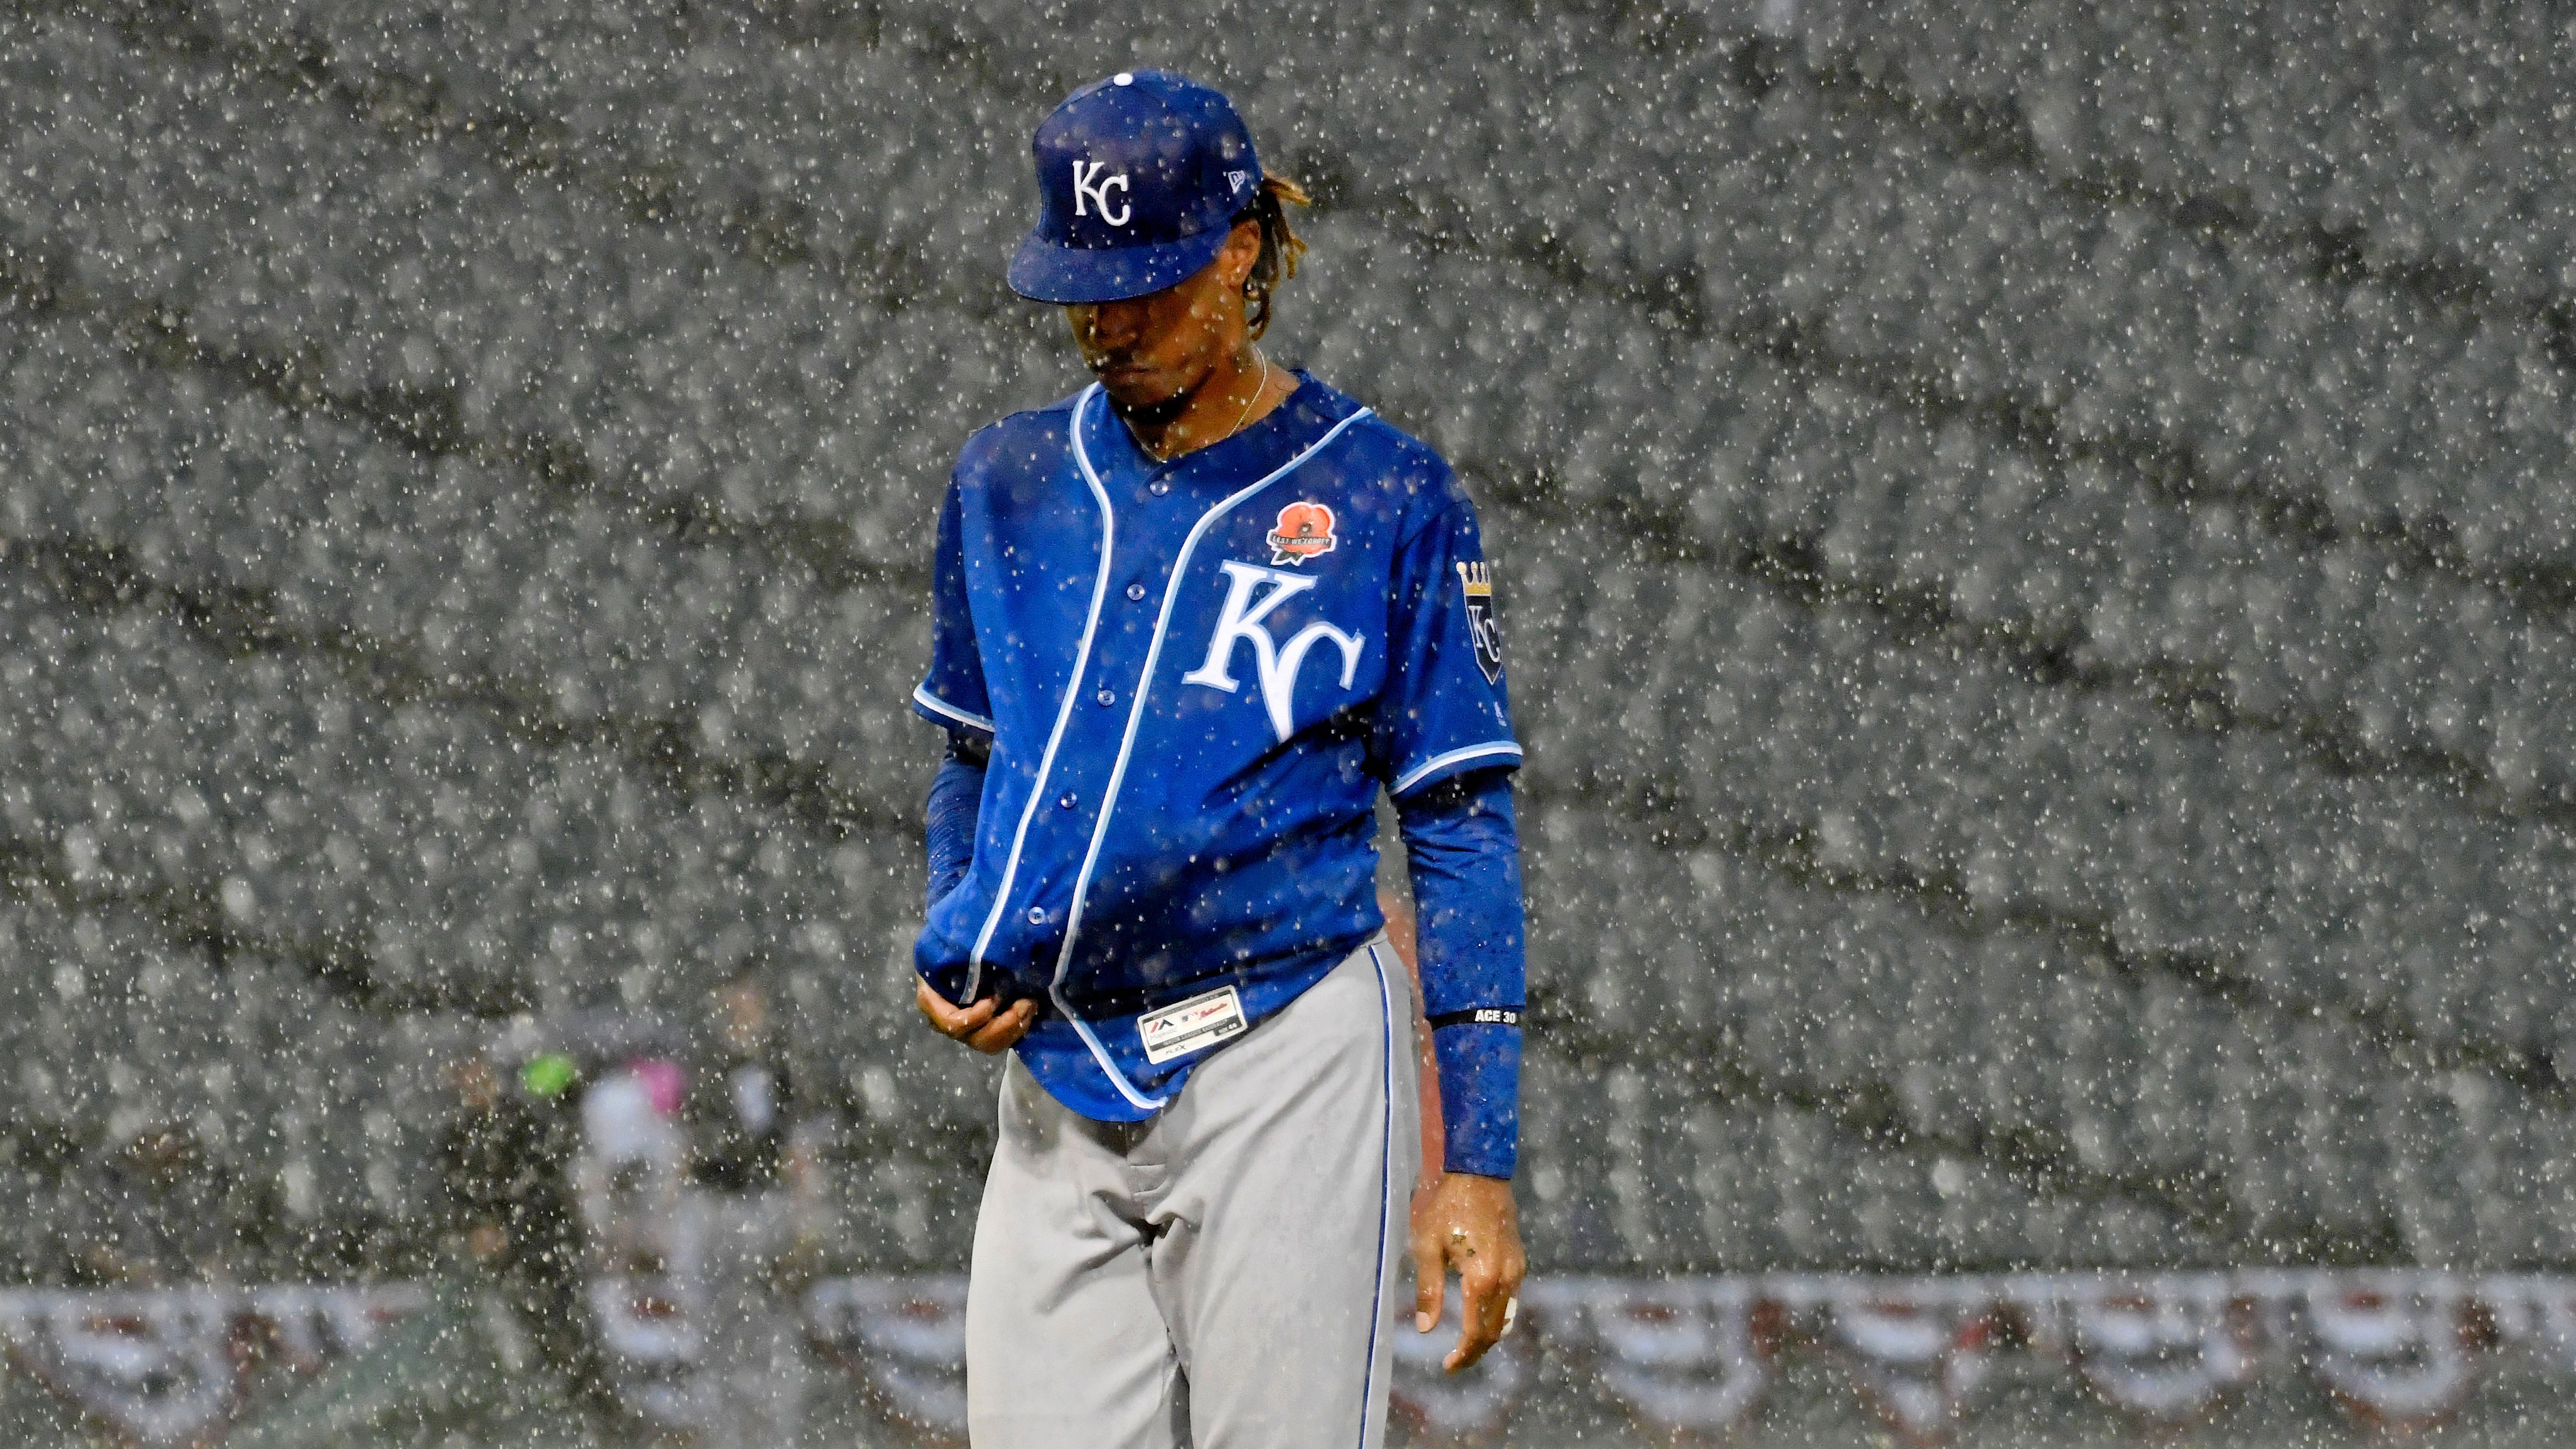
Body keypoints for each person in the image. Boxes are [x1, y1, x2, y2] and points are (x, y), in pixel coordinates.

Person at [909, 70, 1528, 1447]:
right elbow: (969, 755)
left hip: (1282, 1035)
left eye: (1150, 279)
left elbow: (1459, 824)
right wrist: (957, 917)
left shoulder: (1386, 491)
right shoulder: (1004, 479)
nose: (1108, 319)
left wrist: (1473, 1160)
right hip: (1062, 1065)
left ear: (1241, 248)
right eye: (1086, 281)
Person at [674, 969, 820, 1449]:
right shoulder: (707, 1063)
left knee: (772, 1330)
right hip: (719, 1204)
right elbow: (691, 1142)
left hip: (765, 1203)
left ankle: (775, 1434)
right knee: (718, 1330)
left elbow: (799, 1146)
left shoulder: (782, 1061)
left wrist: (804, 1218)